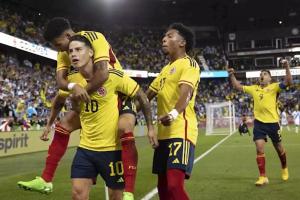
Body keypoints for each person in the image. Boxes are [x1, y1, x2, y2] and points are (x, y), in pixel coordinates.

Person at [17, 17, 153, 199]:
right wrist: (73, 90)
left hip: (117, 93)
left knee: (124, 127)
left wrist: (80, 93)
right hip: (91, 96)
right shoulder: (66, 55)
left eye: (59, 45)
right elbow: (60, 83)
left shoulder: (94, 38)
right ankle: (46, 180)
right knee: (64, 124)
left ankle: (128, 190)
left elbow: (103, 74)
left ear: (68, 35)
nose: (62, 51)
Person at [66, 35, 156, 200]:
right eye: (70, 51)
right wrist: (73, 99)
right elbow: (76, 109)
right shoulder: (72, 80)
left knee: (116, 197)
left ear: (91, 52)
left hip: (112, 151)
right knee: (77, 194)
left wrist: (150, 127)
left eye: (78, 49)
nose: (73, 54)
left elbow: (142, 97)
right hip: (85, 149)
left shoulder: (113, 76)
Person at [143, 23, 200, 200]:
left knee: (174, 185)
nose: (164, 39)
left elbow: (186, 93)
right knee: (163, 188)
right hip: (163, 136)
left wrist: (174, 113)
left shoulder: (189, 64)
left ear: (182, 42)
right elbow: (145, 98)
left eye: (169, 36)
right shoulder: (164, 70)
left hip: (181, 131)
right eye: (164, 36)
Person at [227, 59, 293, 186]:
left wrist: (286, 66)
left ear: (270, 78)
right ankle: (263, 177)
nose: (262, 75)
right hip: (259, 124)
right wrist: (231, 74)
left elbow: (289, 81)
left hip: (273, 123)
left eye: (265, 74)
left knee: (279, 148)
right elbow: (238, 86)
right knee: (259, 148)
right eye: (261, 74)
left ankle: (284, 167)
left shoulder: (275, 87)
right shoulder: (254, 88)